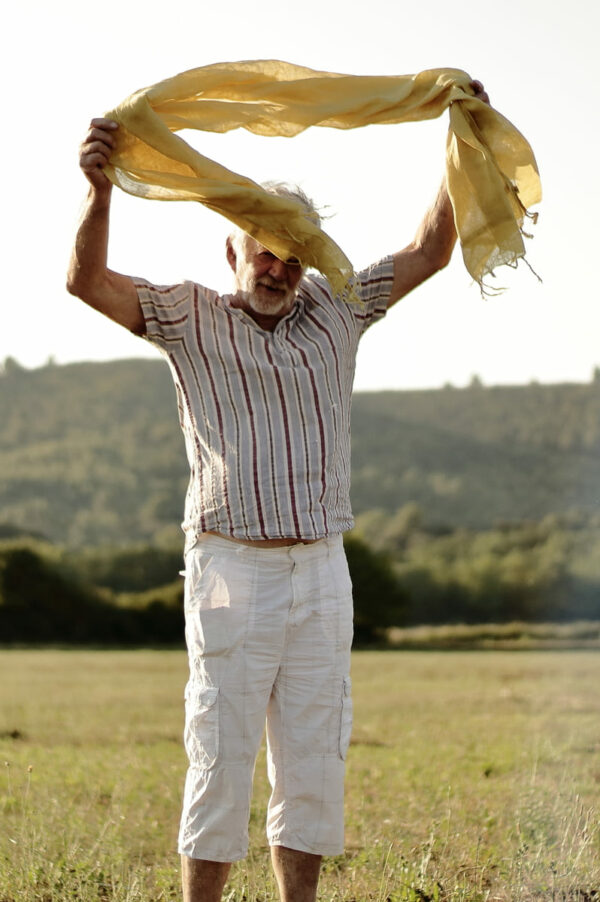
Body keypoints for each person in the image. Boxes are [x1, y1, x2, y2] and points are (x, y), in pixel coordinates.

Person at [67, 79, 488, 902]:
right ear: (231, 250)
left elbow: (432, 249)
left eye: (292, 254)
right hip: (231, 569)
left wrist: (461, 133)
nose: (277, 267)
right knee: (219, 756)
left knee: (314, 758)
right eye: (261, 249)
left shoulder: (338, 309)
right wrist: (98, 190)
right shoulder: (187, 316)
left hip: (322, 571)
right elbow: (86, 281)